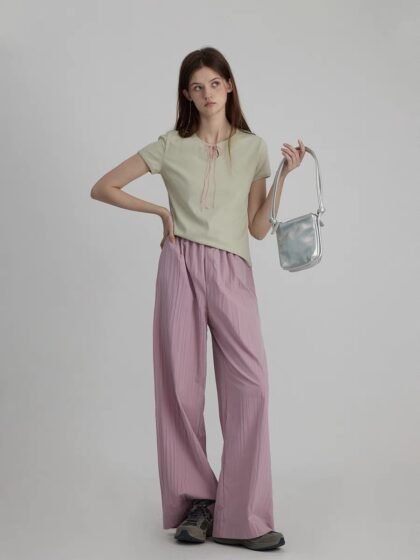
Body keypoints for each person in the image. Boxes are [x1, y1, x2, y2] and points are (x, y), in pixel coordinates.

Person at [91, 46, 305, 552]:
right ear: (186, 95)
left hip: (232, 270)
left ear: (229, 86)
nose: (207, 93)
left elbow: (256, 229)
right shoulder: (171, 145)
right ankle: (198, 503)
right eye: (196, 86)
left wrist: (282, 177)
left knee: (250, 386)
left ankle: (244, 515)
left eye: (214, 83)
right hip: (181, 265)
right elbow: (104, 187)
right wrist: (161, 214)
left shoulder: (253, 148)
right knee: (180, 389)